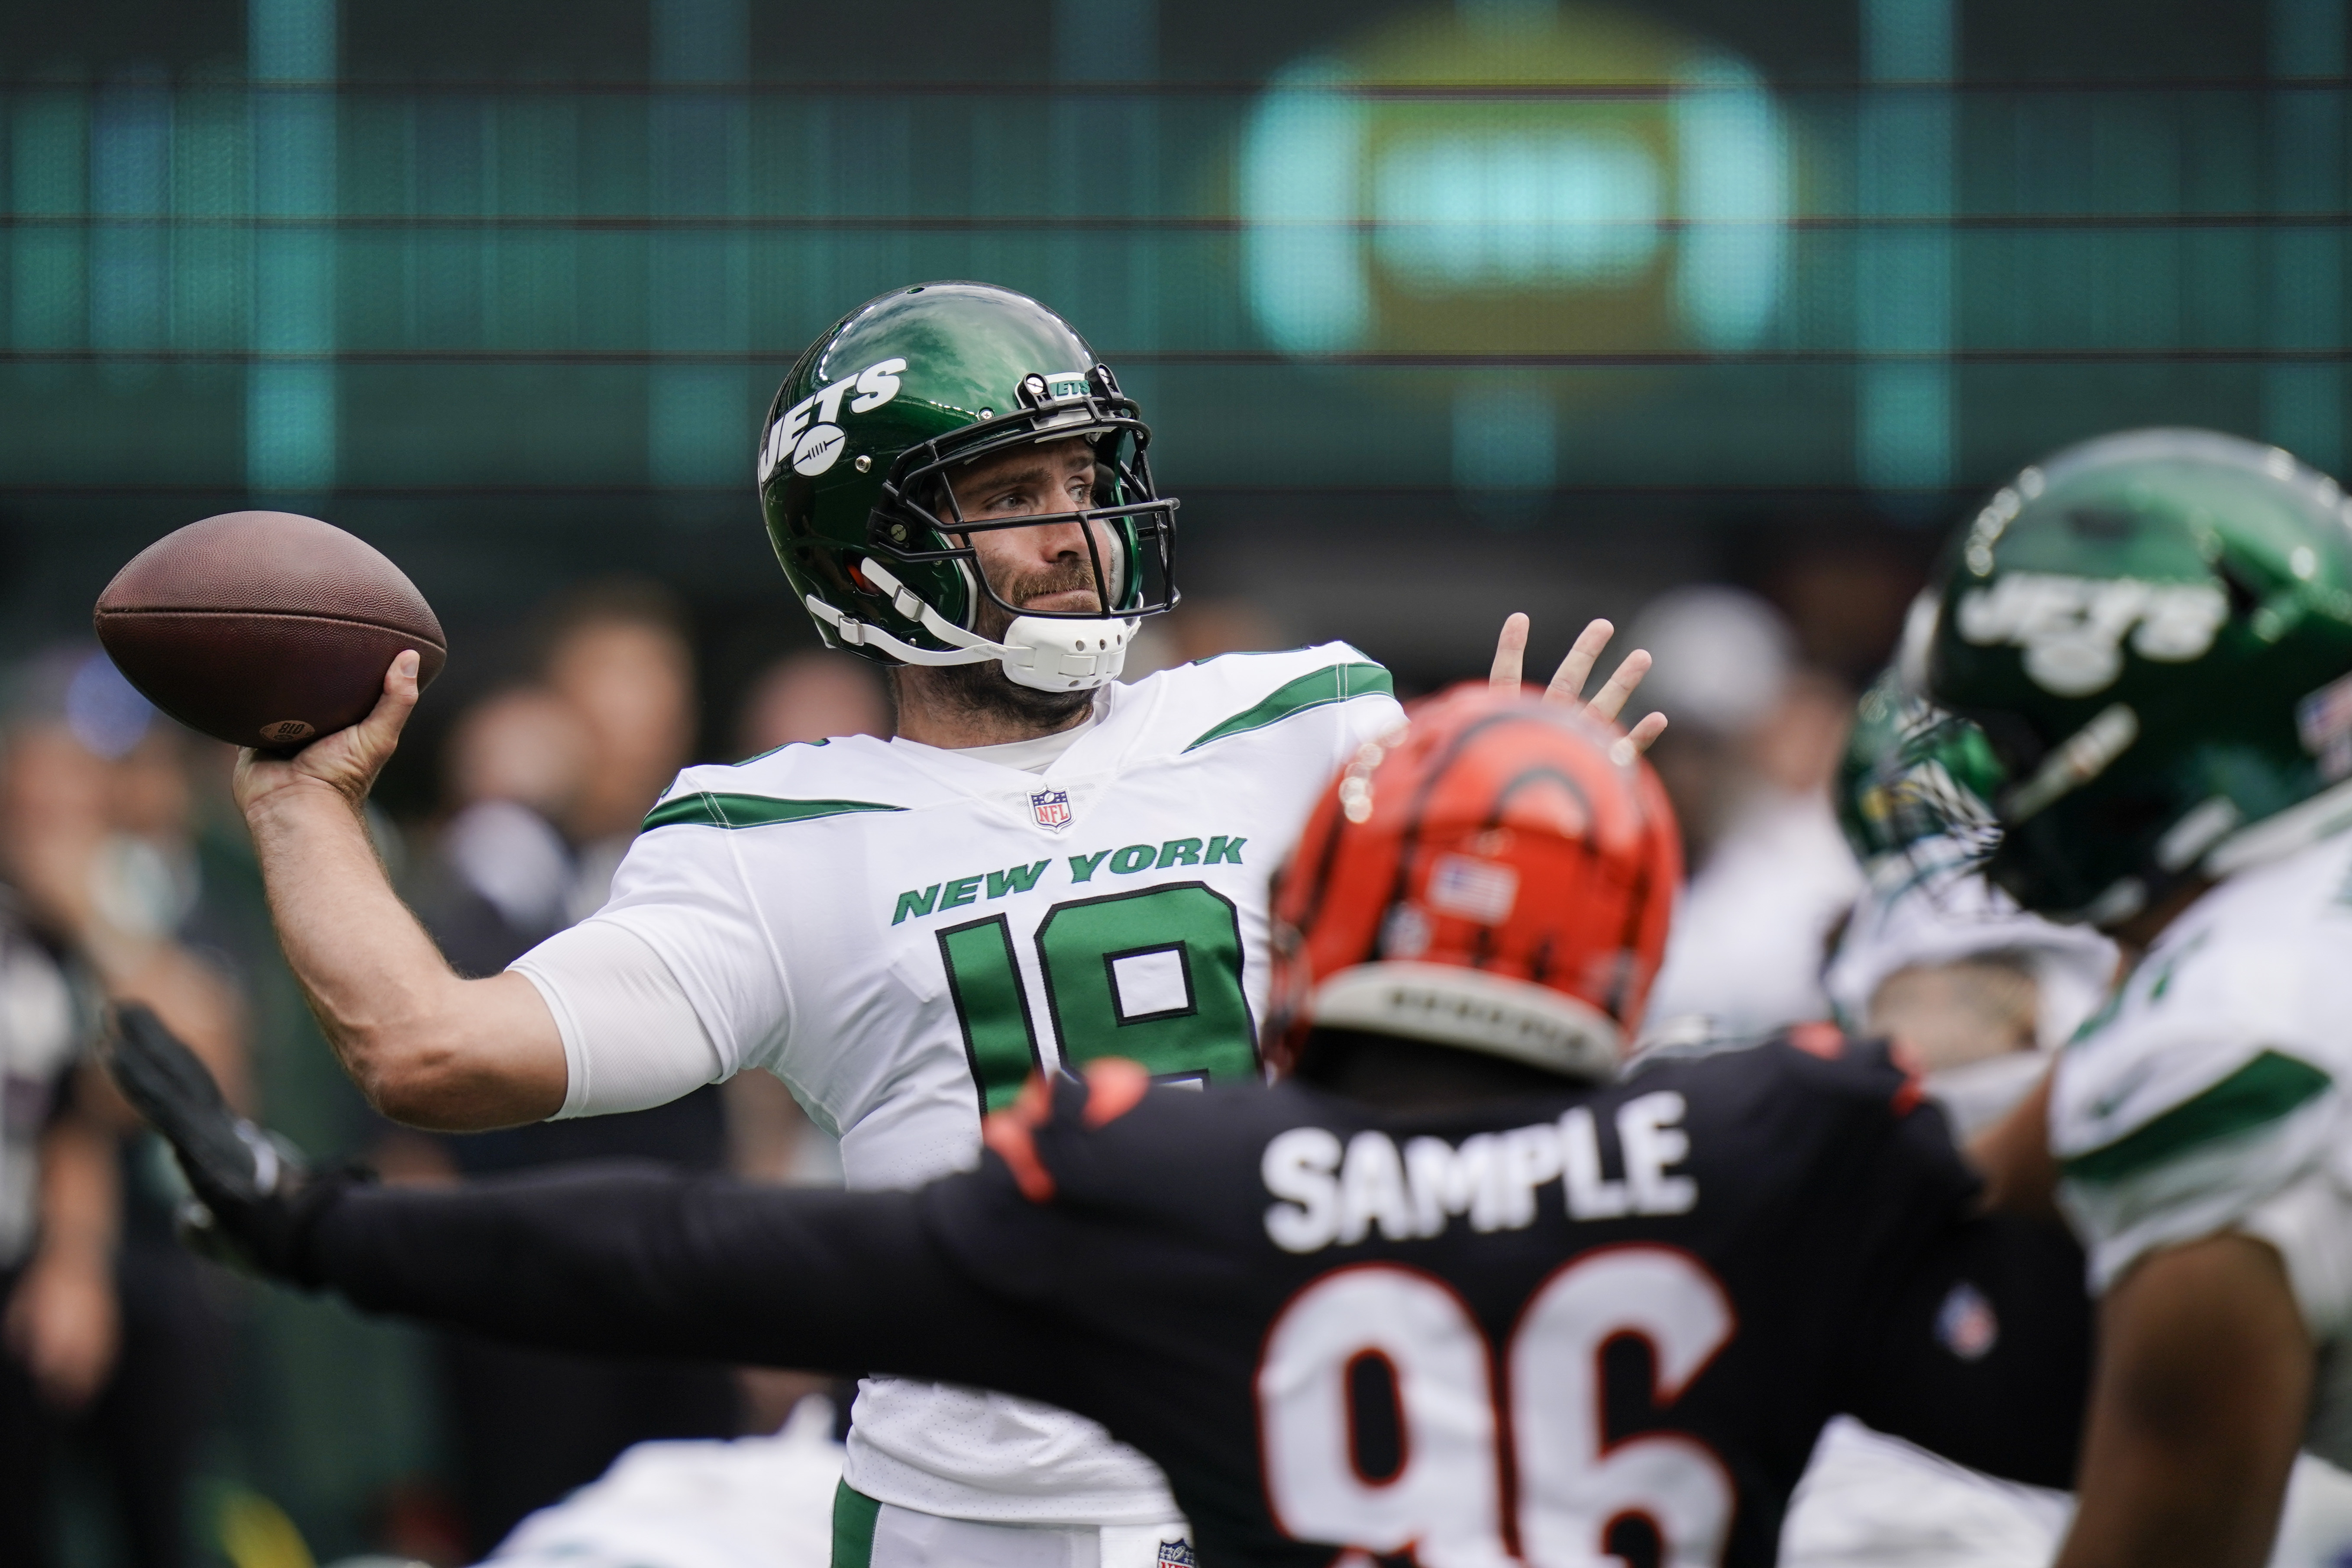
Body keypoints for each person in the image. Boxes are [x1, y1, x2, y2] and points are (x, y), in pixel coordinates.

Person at [219, 279, 1661, 1565]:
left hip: (1318, 1476)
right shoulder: (770, 842)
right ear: (870, 555)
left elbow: (1495, 1079)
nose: (1075, 531)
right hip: (972, 1524)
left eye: (1083, 475)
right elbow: (431, 1053)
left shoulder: (1307, 717)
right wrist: (304, 810)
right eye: (1013, 493)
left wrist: (1531, 836)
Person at [111, 685, 2095, 1568]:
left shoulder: (1185, 1185)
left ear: (1316, 922)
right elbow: (2066, 1390)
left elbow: (702, 1252)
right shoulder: (1769, 1141)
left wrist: (323, 1226)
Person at [1899, 426, 2352, 1568]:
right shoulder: (2275, 942)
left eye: (2012, 736)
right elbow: (1992, 1172)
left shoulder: (2219, 1051)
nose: (1995, 782)